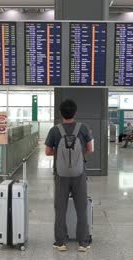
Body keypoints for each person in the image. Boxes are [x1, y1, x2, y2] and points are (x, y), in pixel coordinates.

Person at [45, 99, 94, 252]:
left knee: (60, 208)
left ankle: (61, 242)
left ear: (60, 113)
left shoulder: (55, 130)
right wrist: (79, 155)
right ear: (75, 113)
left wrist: (59, 153)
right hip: (79, 173)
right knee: (81, 207)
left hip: (61, 174)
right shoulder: (83, 128)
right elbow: (90, 149)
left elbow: (47, 152)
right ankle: (83, 243)